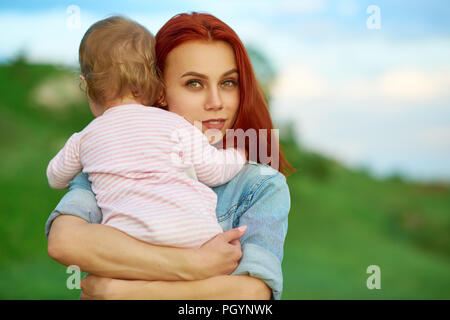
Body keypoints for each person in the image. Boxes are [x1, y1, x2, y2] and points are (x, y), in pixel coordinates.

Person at [46, 12, 293, 300]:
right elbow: (64, 242)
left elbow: (252, 295)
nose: (216, 102)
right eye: (194, 83)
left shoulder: (260, 185)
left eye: (228, 83)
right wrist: (195, 264)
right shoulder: (117, 156)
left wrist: (123, 291)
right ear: (159, 91)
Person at [46, 15, 247, 249]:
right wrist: (238, 155)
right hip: (195, 237)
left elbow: (55, 177)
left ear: (87, 85)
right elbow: (213, 170)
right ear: (155, 79)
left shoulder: (84, 139)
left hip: (131, 243)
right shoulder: (176, 124)